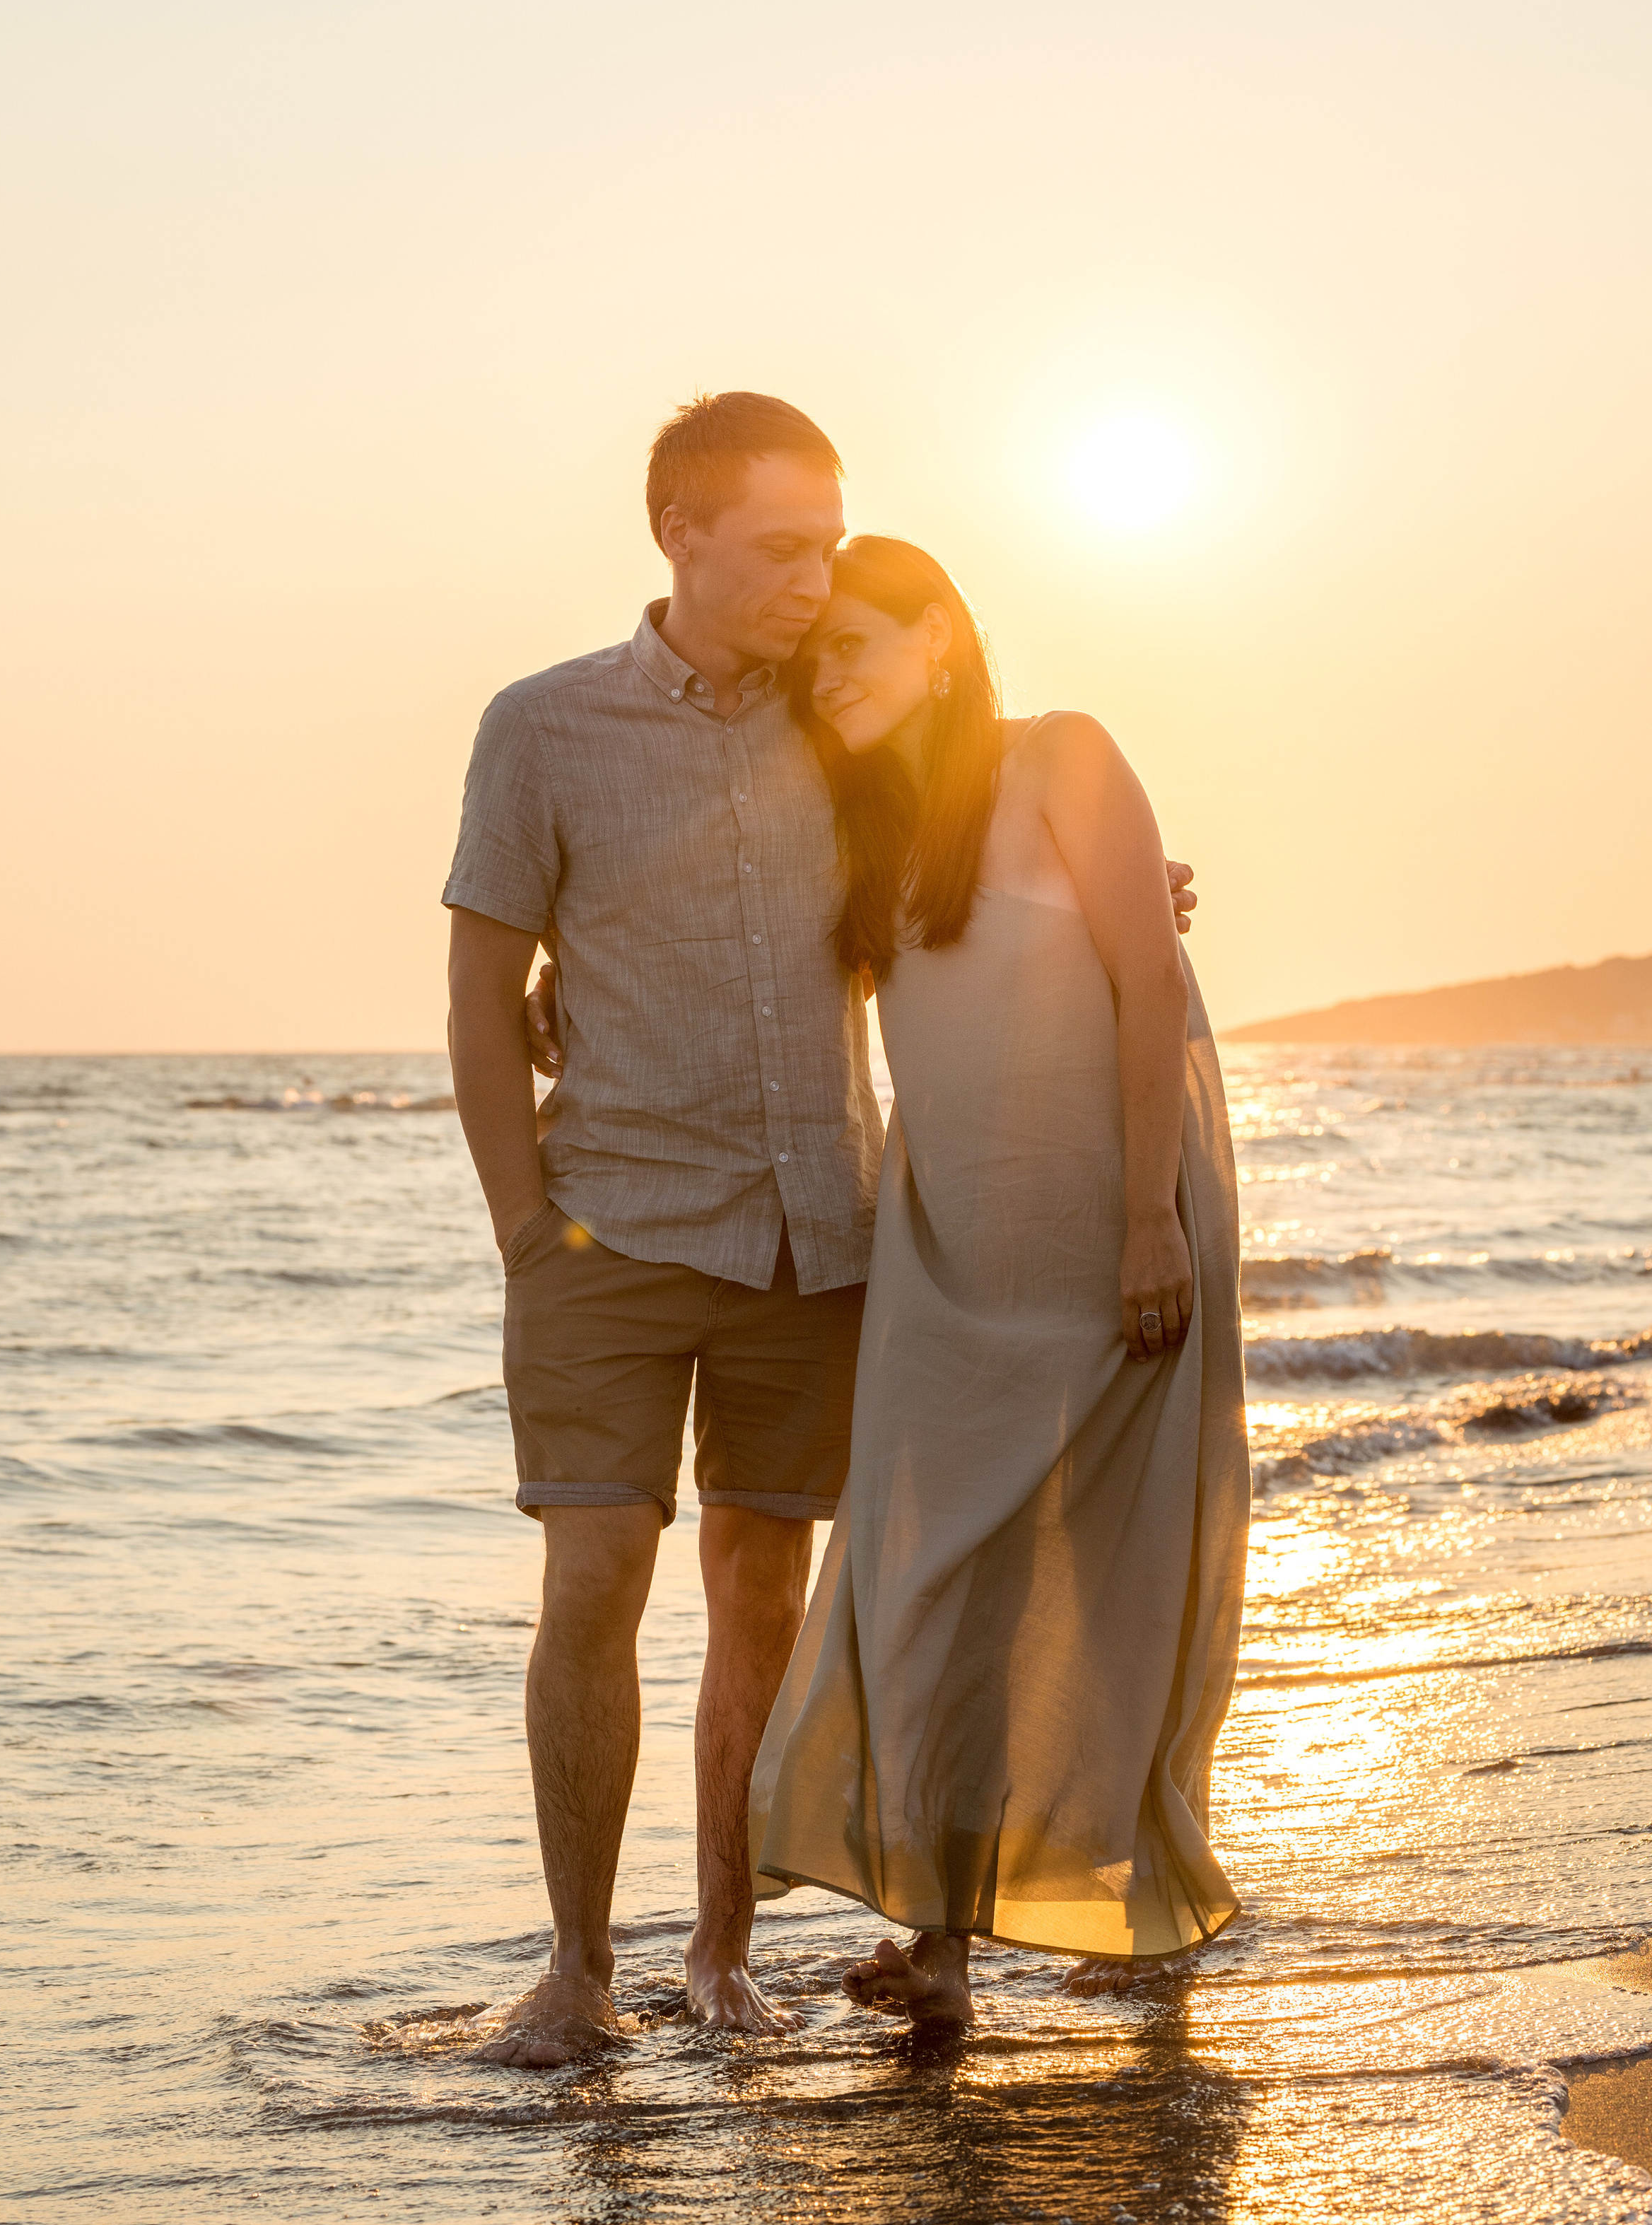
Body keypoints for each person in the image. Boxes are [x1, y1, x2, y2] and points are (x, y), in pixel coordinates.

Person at [443, 397, 1200, 2066]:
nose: (812, 580)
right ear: (679, 533)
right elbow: (483, 992)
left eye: (828, 545)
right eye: (782, 547)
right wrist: (520, 1227)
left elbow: (967, 861)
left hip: (815, 1237)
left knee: (766, 1594)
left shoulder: (839, 718)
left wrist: (1127, 892)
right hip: (606, 1226)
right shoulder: (543, 727)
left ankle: (721, 1953)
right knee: (592, 1575)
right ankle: (576, 1967)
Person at [748, 535, 1250, 2027]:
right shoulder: (858, 828)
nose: (826, 680)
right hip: (944, 1241)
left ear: (939, 640)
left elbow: (1148, 981)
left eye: (850, 645)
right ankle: (943, 1939)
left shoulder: (1059, 756)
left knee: (1116, 1566)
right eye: (809, 665)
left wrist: (1149, 1219)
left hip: (1107, 1228)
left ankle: (1129, 1898)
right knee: (920, 1573)